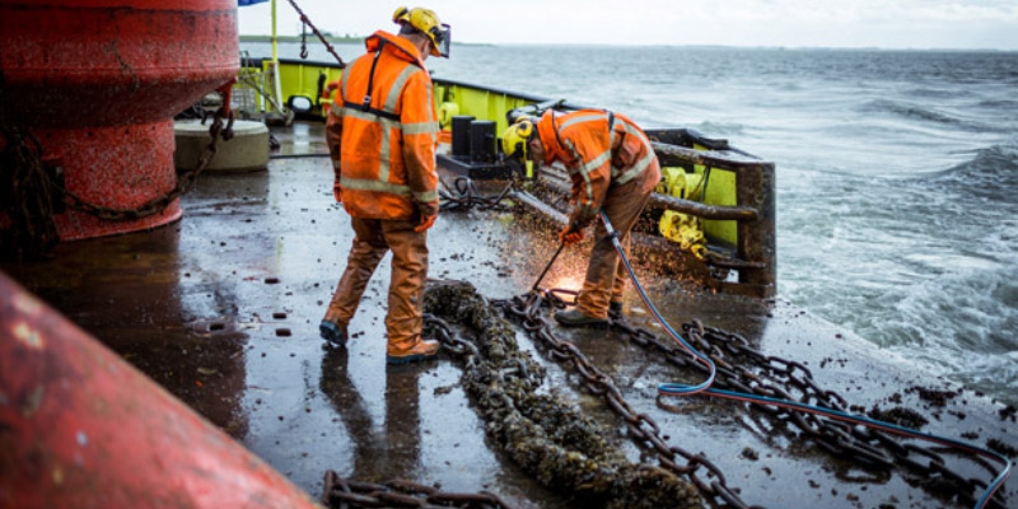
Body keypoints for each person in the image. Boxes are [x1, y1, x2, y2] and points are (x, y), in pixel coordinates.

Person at [320, 6, 451, 365]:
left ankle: (336, 318)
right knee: (410, 264)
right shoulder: (414, 77)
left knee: (364, 250)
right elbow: (419, 146)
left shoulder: (355, 68)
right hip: (397, 198)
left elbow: (333, 130)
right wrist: (428, 201)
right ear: (425, 41)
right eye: (430, 49)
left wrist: (339, 179)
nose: (429, 56)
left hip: (357, 192)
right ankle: (403, 343)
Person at [502, 108, 661, 327]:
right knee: (616, 238)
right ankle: (611, 299)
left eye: (530, 157)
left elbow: (596, 180)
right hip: (623, 170)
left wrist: (580, 222)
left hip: (634, 174)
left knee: (607, 238)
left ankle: (593, 309)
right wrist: (573, 222)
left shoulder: (569, 135)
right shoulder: (558, 136)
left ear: (534, 144)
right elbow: (580, 181)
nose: (535, 161)